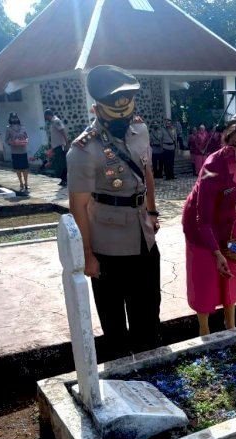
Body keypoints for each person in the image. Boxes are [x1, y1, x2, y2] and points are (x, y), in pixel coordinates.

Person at [67, 65, 162, 357]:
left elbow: (147, 172)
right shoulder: (83, 150)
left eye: (126, 114)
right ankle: (123, 377)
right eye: (113, 116)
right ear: (97, 110)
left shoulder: (140, 130)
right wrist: (87, 254)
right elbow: (78, 205)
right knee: (114, 321)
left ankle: (151, 373)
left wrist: (152, 211)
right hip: (107, 245)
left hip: (144, 239)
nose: (121, 121)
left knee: (148, 310)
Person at [182, 113, 236, 336]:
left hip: (228, 222)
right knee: (205, 275)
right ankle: (204, 330)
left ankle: (231, 327)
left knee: (229, 274)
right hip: (200, 225)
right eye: (233, 144)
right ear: (226, 138)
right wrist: (216, 252)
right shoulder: (212, 165)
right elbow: (202, 218)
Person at [44, 109, 70, 187]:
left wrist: (67, 143)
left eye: (46, 117)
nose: (46, 118)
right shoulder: (53, 122)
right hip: (56, 146)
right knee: (59, 163)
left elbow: (63, 131)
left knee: (62, 163)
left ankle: (65, 180)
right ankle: (63, 180)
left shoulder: (56, 121)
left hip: (60, 145)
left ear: (48, 115)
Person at [5, 112, 30, 192]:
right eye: (13, 117)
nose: (14, 119)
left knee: (25, 168)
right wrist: (12, 142)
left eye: (15, 117)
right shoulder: (8, 129)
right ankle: (21, 183)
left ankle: (26, 184)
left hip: (23, 150)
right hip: (15, 151)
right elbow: (6, 140)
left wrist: (26, 140)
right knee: (18, 169)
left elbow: (27, 137)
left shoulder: (22, 127)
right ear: (10, 119)